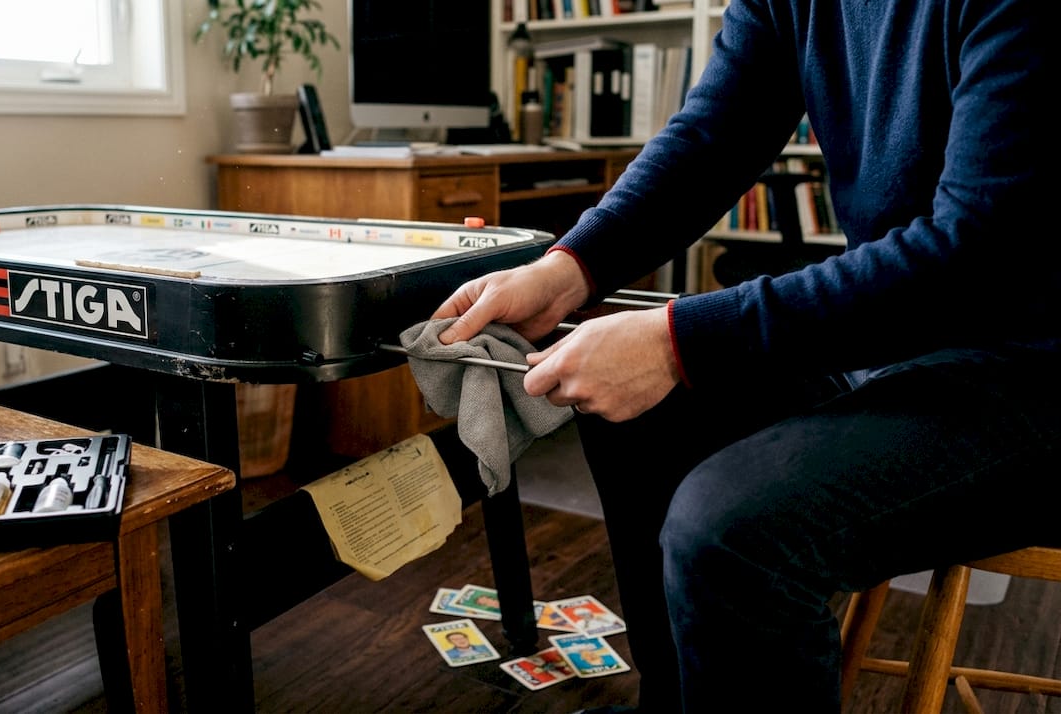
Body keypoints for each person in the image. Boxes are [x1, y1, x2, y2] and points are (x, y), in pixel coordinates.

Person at [430, 1, 1048, 712]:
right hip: (896, 346)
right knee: (635, 413)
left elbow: (972, 262)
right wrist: (569, 267)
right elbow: (712, 136)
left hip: (1033, 369)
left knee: (729, 535)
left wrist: (675, 340)